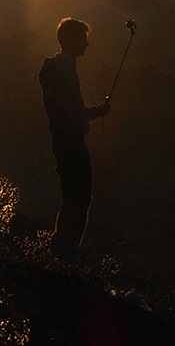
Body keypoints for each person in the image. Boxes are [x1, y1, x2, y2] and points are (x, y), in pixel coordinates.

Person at [38, 18, 110, 253]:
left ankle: (62, 254)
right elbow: (73, 111)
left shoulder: (55, 70)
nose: (86, 45)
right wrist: (98, 112)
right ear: (71, 39)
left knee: (72, 199)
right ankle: (67, 257)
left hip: (64, 140)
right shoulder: (63, 71)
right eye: (83, 39)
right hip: (70, 141)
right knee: (78, 201)